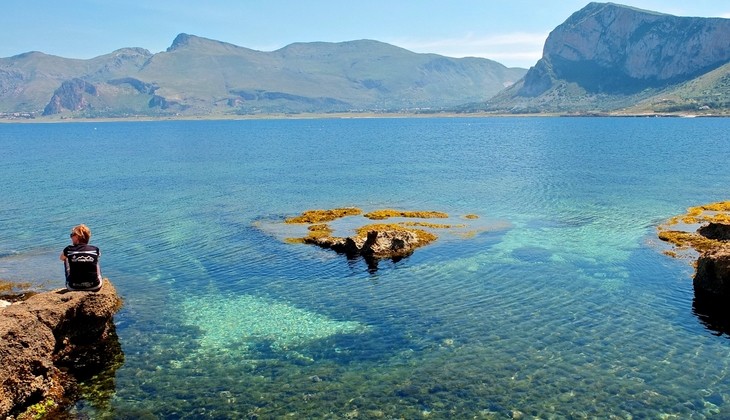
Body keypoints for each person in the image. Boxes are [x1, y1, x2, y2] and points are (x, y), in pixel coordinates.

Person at [60, 224, 103, 291]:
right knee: (95, 259)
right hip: (95, 286)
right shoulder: (95, 249)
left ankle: (75, 280)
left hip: (73, 287)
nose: (71, 237)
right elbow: (98, 255)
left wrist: (76, 259)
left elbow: (61, 258)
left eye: (72, 235)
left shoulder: (68, 249)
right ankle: (92, 279)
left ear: (77, 237)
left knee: (66, 259)